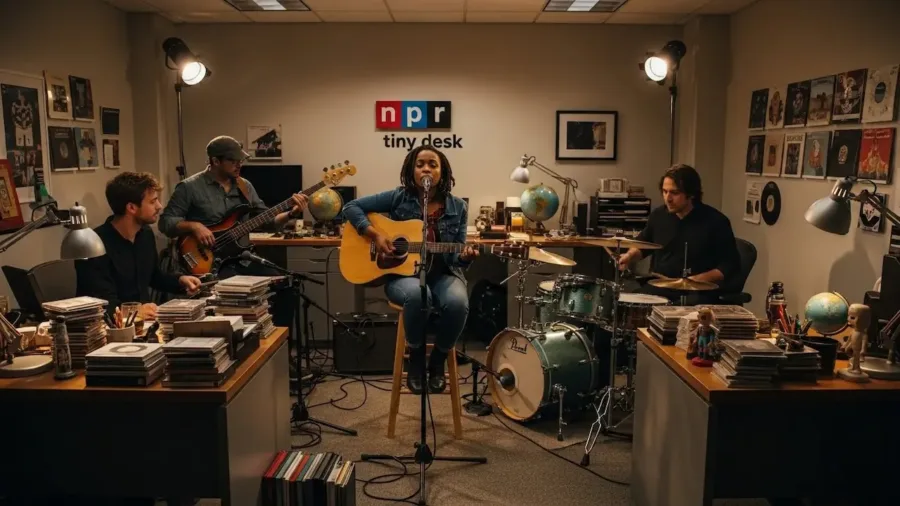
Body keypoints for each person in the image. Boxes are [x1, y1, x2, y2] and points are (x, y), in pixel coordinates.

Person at [342, 145, 477, 395]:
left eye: (433, 164)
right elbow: (350, 207)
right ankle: (415, 359)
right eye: (420, 164)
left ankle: (437, 361)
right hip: (402, 276)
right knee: (418, 295)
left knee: (458, 303)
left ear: (443, 171)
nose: (426, 168)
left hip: (444, 275)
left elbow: (456, 255)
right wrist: (375, 234)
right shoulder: (398, 197)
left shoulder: (458, 207)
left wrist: (466, 257)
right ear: (411, 170)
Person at [158, 135, 308, 326]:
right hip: (209, 264)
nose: (239, 165)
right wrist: (194, 226)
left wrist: (291, 214)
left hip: (240, 259)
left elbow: (266, 220)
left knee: (286, 286)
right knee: (235, 301)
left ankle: (276, 344)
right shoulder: (189, 187)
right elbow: (166, 223)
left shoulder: (245, 186)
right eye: (233, 161)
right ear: (215, 161)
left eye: (240, 161)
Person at [75, 172, 202, 321]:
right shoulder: (94, 246)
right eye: (153, 201)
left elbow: (153, 276)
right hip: (112, 331)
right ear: (131, 207)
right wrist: (135, 311)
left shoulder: (145, 234)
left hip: (144, 324)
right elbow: (101, 305)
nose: (159, 206)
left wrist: (180, 280)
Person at [618, 164, 740, 305]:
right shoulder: (659, 216)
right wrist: (629, 256)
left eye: (674, 193)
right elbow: (643, 244)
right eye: (664, 192)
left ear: (691, 194)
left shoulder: (716, 222)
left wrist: (696, 280)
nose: (668, 198)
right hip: (661, 286)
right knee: (628, 303)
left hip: (698, 292)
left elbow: (729, 265)